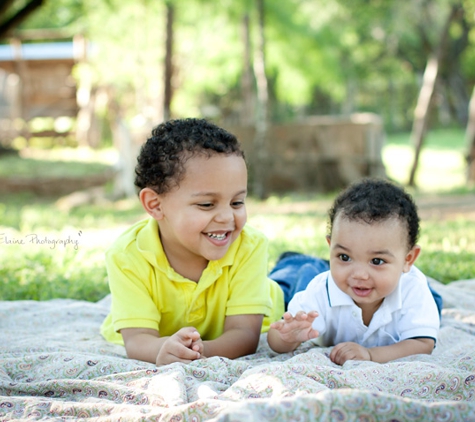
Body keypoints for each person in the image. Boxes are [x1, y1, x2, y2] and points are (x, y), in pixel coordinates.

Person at [101, 118, 284, 366]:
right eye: (207, 204)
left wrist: (198, 351)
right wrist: (163, 349)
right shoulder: (126, 255)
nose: (227, 217)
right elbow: (138, 340)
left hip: (272, 299)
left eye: (237, 202)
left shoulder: (249, 246)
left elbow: (244, 335)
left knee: (300, 280)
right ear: (155, 205)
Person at [267, 178, 441, 365]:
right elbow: (275, 339)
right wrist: (288, 336)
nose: (359, 274)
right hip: (316, 278)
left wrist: (370, 355)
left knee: (435, 301)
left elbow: (423, 344)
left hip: (409, 288)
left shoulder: (413, 288)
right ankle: (298, 262)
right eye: (344, 257)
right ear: (330, 246)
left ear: (409, 259)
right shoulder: (321, 290)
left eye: (377, 261)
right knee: (299, 276)